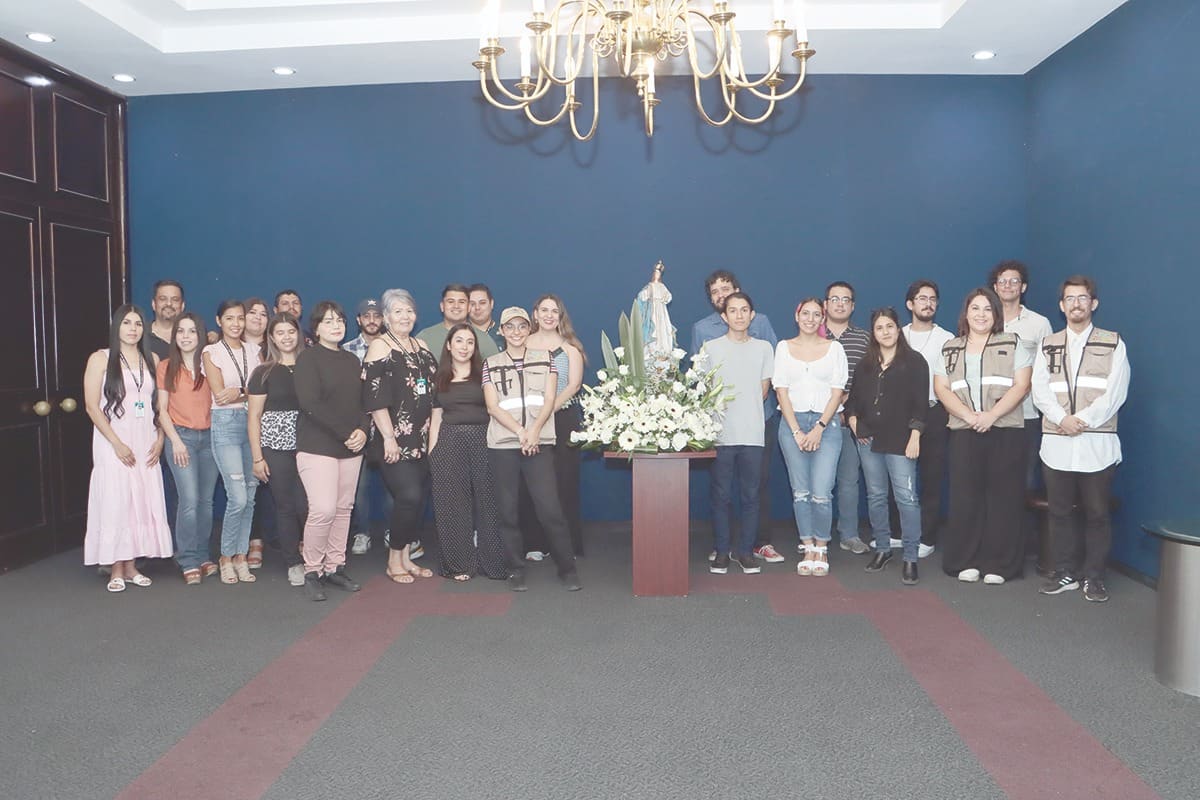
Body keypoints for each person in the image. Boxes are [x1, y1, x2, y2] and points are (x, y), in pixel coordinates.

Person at [1032, 276, 1130, 603]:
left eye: (1082, 298)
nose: (1076, 303)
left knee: (1096, 514)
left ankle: (1094, 577)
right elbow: (1040, 390)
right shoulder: (1048, 344)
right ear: (1062, 306)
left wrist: (1082, 421)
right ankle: (1064, 573)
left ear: (1093, 303)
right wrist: (1063, 419)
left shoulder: (1113, 343)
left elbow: (1116, 392)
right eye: (1070, 298)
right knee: (1059, 513)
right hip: (1057, 445)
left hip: (1096, 446)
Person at [933, 287, 1033, 585]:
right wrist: (968, 416)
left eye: (987, 309)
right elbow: (941, 388)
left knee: (1003, 499)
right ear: (966, 313)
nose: (981, 314)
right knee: (966, 498)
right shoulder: (951, 347)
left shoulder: (1013, 343)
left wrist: (991, 416)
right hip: (964, 431)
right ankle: (965, 560)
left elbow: (1021, 385)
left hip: (1004, 430)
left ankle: (999, 565)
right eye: (975, 308)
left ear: (996, 314)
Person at [484, 306, 581, 592]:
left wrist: (534, 432)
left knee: (550, 508)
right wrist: (520, 432)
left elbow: (550, 398)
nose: (516, 332)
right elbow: (492, 405)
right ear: (501, 331)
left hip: (538, 442)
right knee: (508, 511)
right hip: (504, 444)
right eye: (509, 327)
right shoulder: (490, 363)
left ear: (529, 329)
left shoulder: (546, 359)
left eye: (521, 326)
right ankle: (516, 568)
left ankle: (567, 569)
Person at [689, 269, 783, 564]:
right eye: (715, 292)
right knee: (721, 490)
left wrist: (750, 404)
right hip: (721, 427)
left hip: (757, 421)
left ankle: (757, 544)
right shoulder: (703, 331)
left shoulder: (762, 327)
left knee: (757, 487)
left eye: (726, 289)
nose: (721, 295)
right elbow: (698, 379)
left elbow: (768, 381)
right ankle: (723, 546)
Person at [82, 304, 173, 592]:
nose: (133, 329)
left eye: (137, 324)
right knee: (116, 499)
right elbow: (92, 406)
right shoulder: (100, 358)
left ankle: (132, 565)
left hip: (145, 437)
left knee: (140, 501)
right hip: (113, 440)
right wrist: (117, 443)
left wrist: (160, 439)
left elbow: (159, 405)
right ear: (116, 327)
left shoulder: (153, 358)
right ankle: (115, 567)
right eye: (126, 323)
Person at [847, 307, 929, 585]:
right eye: (880, 327)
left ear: (898, 329)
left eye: (890, 327)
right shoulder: (865, 364)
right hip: (869, 439)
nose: (885, 332)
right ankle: (882, 549)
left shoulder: (915, 362)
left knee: (906, 498)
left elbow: (920, 405)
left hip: (902, 441)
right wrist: (855, 422)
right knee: (876, 496)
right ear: (874, 332)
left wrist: (916, 436)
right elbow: (852, 402)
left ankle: (910, 556)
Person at [294, 301, 369, 601]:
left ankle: (334, 566)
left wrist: (363, 430)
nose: (336, 325)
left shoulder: (352, 361)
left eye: (339, 320)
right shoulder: (308, 359)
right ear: (316, 328)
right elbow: (310, 404)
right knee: (323, 509)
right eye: (328, 321)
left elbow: (365, 402)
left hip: (352, 446)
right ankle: (312, 569)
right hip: (317, 445)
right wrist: (346, 433)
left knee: (343, 509)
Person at [363, 289, 438, 585]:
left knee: (417, 503)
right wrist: (389, 438)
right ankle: (394, 559)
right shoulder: (381, 347)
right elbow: (373, 398)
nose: (405, 316)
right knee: (408, 496)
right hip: (393, 439)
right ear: (386, 317)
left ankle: (407, 557)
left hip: (420, 438)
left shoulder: (420, 345)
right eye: (397, 311)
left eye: (409, 310)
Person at [773, 298, 848, 577]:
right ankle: (807, 545)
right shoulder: (783, 347)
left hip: (825, 426)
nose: (811, 318)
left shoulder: (834, 349)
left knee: (821, 493)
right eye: (806, 313)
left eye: (817, 314)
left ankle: (821, 546)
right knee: (801, 492)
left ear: (823, 318)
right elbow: (781, 391)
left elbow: (837, 391)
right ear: (797, 315)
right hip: (791, 424)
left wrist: (818, 427)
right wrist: (796, 431)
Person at [702, 292, 774, 575]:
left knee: (751, 495)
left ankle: (745, 551)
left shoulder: (764, 348)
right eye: (733, 311)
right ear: (724, 316)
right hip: (721, 433)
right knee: (720, 495)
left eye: (745, 310)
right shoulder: (711, 347)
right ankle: (721, 551)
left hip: (753, 432)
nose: (739, 315)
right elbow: (705, 389)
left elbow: (764, 389)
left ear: (752, 315)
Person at [428, 323, 507, 580]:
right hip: (449, 441)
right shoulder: (438, 376)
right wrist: (433, 451)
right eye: (459, 341)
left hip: (484, 439)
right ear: (449, 345)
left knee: (489, 501)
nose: (464, 347)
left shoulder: (485, 373)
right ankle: (459, 565)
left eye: (470, 342)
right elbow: (436, 415)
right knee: (452, 505)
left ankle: (493, 564)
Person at [990, 260, 1054, 555]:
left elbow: (1047, 371)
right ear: (995, 287)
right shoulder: (982, 318)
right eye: (1002, 281)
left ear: (1023, 287)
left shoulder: (1039, 324)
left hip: (1025, 415)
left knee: (1022, 481)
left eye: (1014, 281)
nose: (1008, 286)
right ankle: (991, 540)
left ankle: (1017, 545)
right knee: (989, 479)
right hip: (986, 416)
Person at [521, 293, 588, 558]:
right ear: (534, 314)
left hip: (562, 419)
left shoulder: (571, 349)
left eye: (555, 311)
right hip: (527, 420)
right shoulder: (521, 345)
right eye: (544, 310)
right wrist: (534, 418)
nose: (549, 315)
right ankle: (535, 543)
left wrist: (547, 413)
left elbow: (573, 386)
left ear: (561, 317)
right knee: (531, 483)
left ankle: (566, 545)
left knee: (564, 482)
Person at [202, 299, 262, 584]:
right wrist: (247, 391)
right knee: (236, 496)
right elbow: (218, 394)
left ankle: (241, 555)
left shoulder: (255, 350)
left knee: (250, 496)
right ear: (219, 321)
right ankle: (225, 556)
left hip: (253, 424)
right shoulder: (211, 351)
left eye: (240, 318)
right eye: (230, 318)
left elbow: (263, 390)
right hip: (225, 425)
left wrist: (239, 391)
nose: (236, 324)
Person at [156, 311, 218, 584]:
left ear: (200, 335)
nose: (186, 336)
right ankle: (188, 558)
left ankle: (204, 554)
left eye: (192, 331)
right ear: (174, 336)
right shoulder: (166, 367)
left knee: (206, 502)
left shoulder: (211, 365)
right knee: (189, 501)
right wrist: (176, 441)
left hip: (210, 439)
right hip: (180, 438)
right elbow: (162, 409)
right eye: (181, 331)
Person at [248, 313, 309, 589]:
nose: (286, 337)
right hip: (276, 447)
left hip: (311, 445)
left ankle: (314, 557)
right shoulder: (264, 372)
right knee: (287, 506)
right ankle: (293, 562)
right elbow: (254, 417)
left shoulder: (311, 366)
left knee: (310, 506)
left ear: (299, 334)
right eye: (280, 332)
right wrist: (257, 457)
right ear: (272, 337)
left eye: (291, 331)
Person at [902, 280, 955, 558]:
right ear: (910, 304)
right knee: (899, 477)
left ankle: (927, 536)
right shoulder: (896, 335)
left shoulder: (947, 339)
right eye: (922, 298)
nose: (928, 303)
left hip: (934, 413)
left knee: (932, 477)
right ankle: (901, 532)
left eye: (933, 299)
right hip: (899, 416)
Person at [823, 281, 873, 556]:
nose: (840, 303)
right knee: (819, 482)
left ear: (853, 306)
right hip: (818, 421)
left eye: (846, 299)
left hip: (851, 421)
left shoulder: (865, 338)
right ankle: (817, 535)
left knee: (849, 480)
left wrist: (847, 407)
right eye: (835, 299)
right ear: (825, 304)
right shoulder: (813, 334)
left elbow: (870, 381)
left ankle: (849, 534)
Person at [343, 298, 396, 556]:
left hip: (387, 426)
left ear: (383, 319)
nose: (372, 320)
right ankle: (362, 533)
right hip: (358, 427)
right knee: (358, 486)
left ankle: (391, 531)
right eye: (367, 316)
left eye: (377, 315)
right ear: (359, 320)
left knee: (391, 485)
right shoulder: (346, 351)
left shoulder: (394, 347)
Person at [243, 296, 273, 566]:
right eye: (252, 312)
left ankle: (262, 538)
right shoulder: (228, 347)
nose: (257, 318)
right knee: (245, 486)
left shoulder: (273, 350)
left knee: (264, 484)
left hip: (271, 424)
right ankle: (252, 541)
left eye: (263, 314)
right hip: (237, 423)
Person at [416, 283, 500, 359]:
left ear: (468, 308)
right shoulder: (424, 338)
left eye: (461, 302)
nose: (456, 306)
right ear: (442, 306)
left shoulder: (484, 340)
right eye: (451, 301)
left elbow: (495, 373)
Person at [148, 280, 185, 361]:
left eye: (175, 299)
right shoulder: (140, 336)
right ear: (153, 304)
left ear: (182, 306)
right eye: (163, 299)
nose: (169, 303)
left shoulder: (192, 337)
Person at [469, 283, 506, 352]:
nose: (477, 307)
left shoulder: (505, 332)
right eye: (472, 304)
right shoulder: (460, 332)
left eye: (482, 303)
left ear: (491, 304)